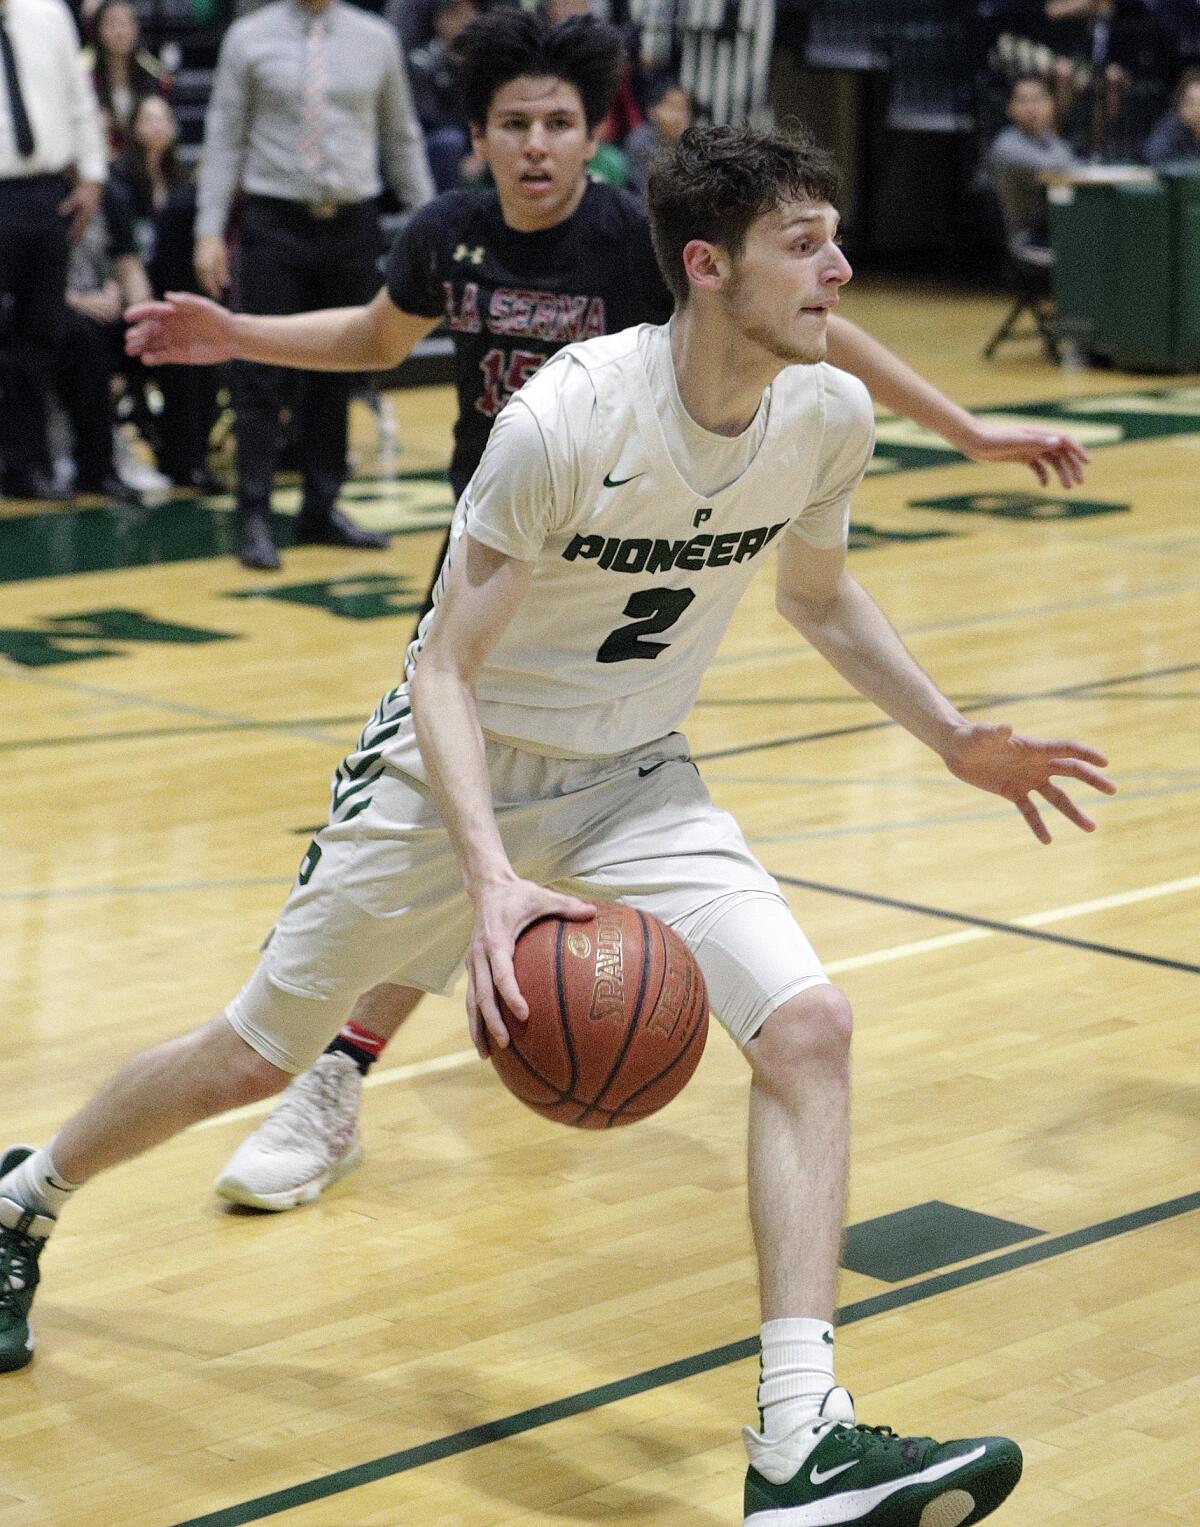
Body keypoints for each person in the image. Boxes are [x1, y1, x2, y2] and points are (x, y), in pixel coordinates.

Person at [2, 119, 1116, 1526]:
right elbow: (441, 671)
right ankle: (23, 1199)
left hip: (636, 776)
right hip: (443, 779)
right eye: (805, 243)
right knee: (245, 1057)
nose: (841, 267)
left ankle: (798, 1436)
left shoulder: (827, 412)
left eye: (836, 235)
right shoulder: (568, 418)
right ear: (709, 267)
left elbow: (819, 600)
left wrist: (955, 736)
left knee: (813, 1027)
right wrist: (488, 884)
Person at [123, 8, 1094, 1213]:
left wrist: (964, 429)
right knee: (451, 820)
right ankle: (330, 1069)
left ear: (594, 138)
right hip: (505, 556)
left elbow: (818, 328)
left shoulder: (644, 247)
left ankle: (341, 1060)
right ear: (475, 139)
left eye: (560, 123)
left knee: (513, 839)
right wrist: (239, 337)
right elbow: (378, 339)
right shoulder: (450, 236)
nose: (537, 146)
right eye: (513, 125)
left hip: (631, 554)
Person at [195, 0, 435, 571]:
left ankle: (321, 506)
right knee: (259, 370)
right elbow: (224, 137)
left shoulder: (376, 39)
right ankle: (253, 513)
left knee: (340, 367)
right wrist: (208, 230)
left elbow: (400, 136)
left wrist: (432, 227)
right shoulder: (247, 38)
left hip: (352, 222)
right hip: (275, 220)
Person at [0, 0, 107, 501]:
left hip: (46, 192)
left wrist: (92, 174)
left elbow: (78, 97)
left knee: (38, 338)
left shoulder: (48, 14)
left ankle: (28, 466)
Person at [55, 176, 151, 503]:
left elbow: (128, 262)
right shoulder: (32, 190)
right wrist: (79, 301)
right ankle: (98, 469)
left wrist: (144, 311)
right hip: (49, 307)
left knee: (165, 334)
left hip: (102, 302)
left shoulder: (111, 194)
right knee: (86, 341)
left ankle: (185, 459)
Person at [988, 74, 1078, 265]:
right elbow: (1061, 169)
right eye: (1023, 100)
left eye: (1038, 99)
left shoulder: (1054, 142)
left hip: (1056, 233)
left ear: (1051, 105)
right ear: (1010, 108)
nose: (1032, 107)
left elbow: (1070, 164)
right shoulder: (1006, 146)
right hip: (1029, 239)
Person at [85, 0, 169, 161]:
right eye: (112, 24)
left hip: (144, 159)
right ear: (98, 29)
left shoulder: (154, 72)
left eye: (125, 23)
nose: (120, 31)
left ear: (136, 28)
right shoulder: (84, 73)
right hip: (101, 159)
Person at [624, 72, 691, 199]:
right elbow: (645, 192)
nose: (680, 117)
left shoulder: (686, 145)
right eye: (673, 108)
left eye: (684, 109)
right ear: (652, 111)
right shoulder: (640, 143)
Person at [1143, 63, 1200, 159]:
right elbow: (1154, 155)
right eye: (1191, 102)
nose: (1197, 109)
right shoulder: (1171, 125)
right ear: (1180, 103)